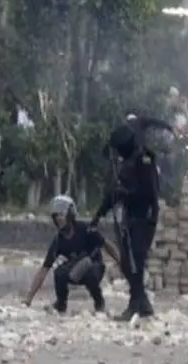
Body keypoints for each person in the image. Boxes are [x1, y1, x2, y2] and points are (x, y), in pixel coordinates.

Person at [91, 119, 161, 320]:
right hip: (129, 217)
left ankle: (135, 304)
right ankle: (143, 303)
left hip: (144, 216)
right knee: (126, 262)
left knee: (135, 261)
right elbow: (113, 194)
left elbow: (149, 193)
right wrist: (97, 216)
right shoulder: (125, 163)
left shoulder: (144, 160)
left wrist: (127, 193)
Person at [23, 195, 119, 313]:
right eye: (56, 216)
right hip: (74, 269)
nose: (59, 218)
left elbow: (106, 245)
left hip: (94, 267)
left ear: (70, 215)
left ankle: (99, 302)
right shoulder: (59, 240)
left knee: (90, 272)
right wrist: (29, 298)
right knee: (59, 273)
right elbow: (44, 269)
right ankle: (61, 304)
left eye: (61, 215)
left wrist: (121, 263)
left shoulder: (85, 229)